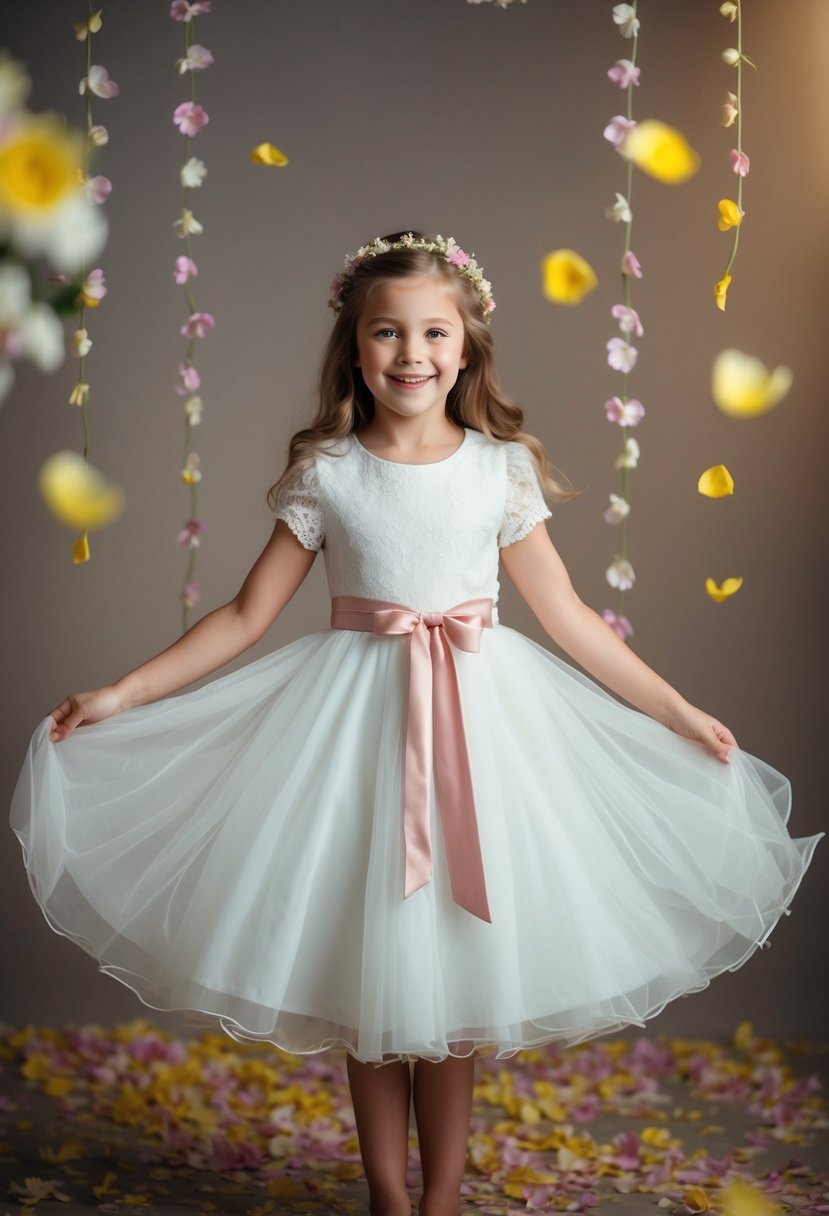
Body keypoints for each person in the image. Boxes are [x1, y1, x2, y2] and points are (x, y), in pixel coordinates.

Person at [11, 231, 823, 1216]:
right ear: (353, 350)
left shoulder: (500, 470)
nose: (411, 352)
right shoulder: (328, 472)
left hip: (484, 736)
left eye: (434, 331)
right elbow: (242, 615)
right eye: (386, 332)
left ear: (467, 347)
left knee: (458, 989)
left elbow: (569, 619)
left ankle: (441, 1200)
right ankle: (388, 1201)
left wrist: (679, 710)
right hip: (352, 739)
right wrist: (119, 696)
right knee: (375, 992)